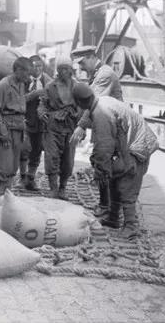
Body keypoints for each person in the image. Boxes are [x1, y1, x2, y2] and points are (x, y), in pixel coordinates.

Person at [72, 83, 159, 239]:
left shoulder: (101, 114)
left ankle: (131, 226)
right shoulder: (101, 100)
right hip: (130, 144)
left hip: (137, 148)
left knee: (127, 185)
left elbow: (103, 147)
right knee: (114, 176)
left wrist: (100, 170)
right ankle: (113, 218)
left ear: (80, 103)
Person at [70, 45, 124, 217]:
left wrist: (81, 125)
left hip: (112, 128)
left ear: (92, 56)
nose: (81, 67)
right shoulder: (97, 74)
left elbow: (92, 101)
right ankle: (107, 205)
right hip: (105, 124)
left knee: (104, 163)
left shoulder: (105, 75)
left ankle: (108, 207)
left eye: (82, 62)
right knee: (101, 162)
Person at [0, 57, 32, 201]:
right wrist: (3, 134)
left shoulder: (21, 84)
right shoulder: (3, 85)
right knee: (2, 167)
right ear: (18, 70)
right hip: (6, 130)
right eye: (26, 73)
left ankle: (6, 199)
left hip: (18, 129)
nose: (28, 76)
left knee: (13, 167)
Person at [38, 57, 80, 200]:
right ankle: (53, 188)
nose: (63, 71)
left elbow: (84, 107)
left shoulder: (77, 87)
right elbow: (42, 103)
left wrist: (82, 128)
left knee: (68, 160)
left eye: (66, 69)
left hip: (71, 126)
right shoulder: (50, 86)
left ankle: (62, 188)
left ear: (71, 71)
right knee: (52, 157)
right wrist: (42, 113)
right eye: (60, 68)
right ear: (57, 70)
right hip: (53, 126)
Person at [20, 55, 52, 190]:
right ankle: (22, 177)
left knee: (37, 150)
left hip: (41, 123)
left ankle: (31, 179)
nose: (37, 69)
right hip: (24, 120)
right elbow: (18, 99)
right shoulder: (23, 81)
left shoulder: (48, 81)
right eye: (34, 66)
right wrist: (33, 94)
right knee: (24, 148)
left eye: (40, 66)